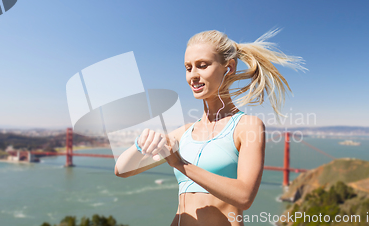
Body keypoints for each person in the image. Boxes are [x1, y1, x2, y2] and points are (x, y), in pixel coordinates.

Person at [114, 29, 305, 226]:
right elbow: (121, 170)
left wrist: (180, 164)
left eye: (202, 66)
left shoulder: (247, 126)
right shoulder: (185, 132)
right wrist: (140, 144)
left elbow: (244, 197)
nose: (193, 76)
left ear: (229, 67)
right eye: (188, 68)